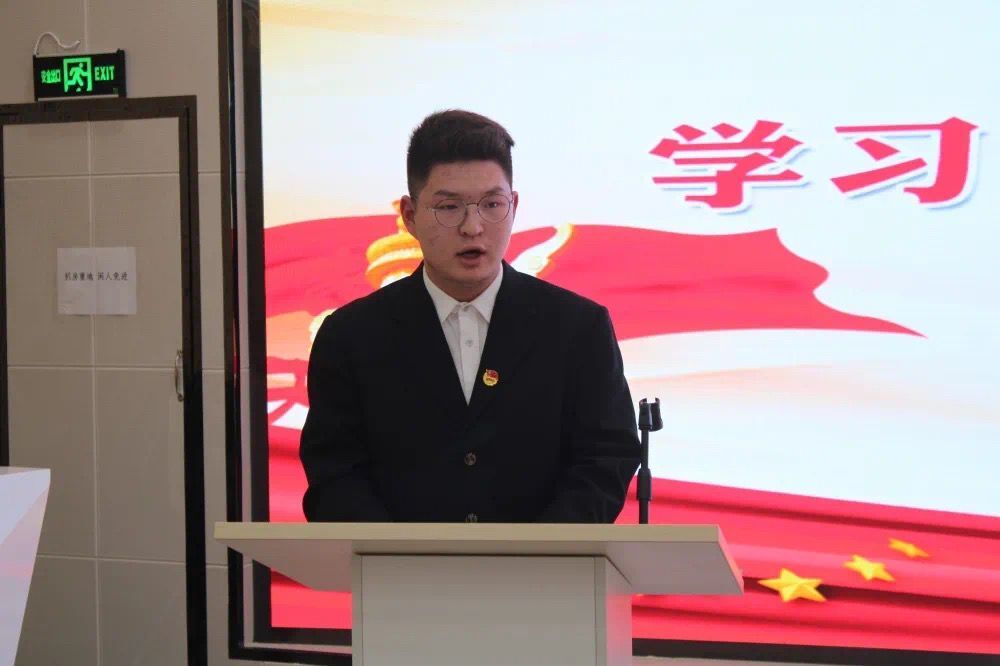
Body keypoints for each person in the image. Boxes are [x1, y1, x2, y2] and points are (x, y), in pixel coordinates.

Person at [300, 110, 640, 523]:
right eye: (449, 207)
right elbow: (334, 473)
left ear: (514, 206)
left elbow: (606, 458)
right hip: (401, 565)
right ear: (410, 216)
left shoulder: (577, 328)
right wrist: (400, 552)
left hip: (544, 564)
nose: (472, 227)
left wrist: (540, 549)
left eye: (492, 205)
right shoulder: (351, 336)